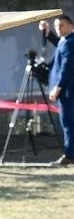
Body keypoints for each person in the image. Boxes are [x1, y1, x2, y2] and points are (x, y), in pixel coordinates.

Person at [39, 15, 73, 166]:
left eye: (62, 25)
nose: (59, 29)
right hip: (66, 92)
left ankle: (69, 155)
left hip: (67, 92)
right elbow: (59, 43)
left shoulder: (70, 43)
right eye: (57, 26)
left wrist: (57, 88)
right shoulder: (66, 41)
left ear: (71, 26)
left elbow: (67, 68)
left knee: (68, 124)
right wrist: (48, 31)